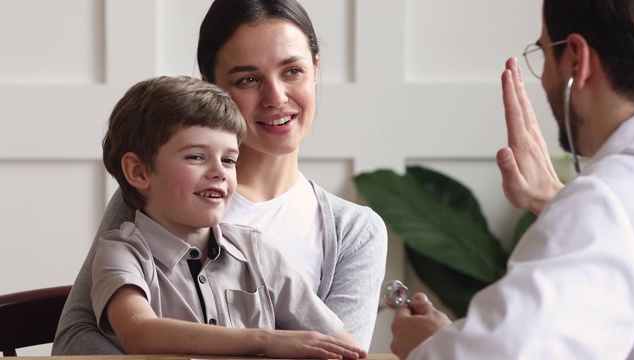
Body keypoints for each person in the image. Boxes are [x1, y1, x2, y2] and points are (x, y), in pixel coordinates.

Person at [52, 0, 387, 355]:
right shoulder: (157, 200)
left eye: (293, 71)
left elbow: (342, 352)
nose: (276, 97)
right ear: (212, 87)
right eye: (248, 79)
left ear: (316, 70)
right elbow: (76, 343)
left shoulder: (353, 232)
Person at [391, 0, 634, 358]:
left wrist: (427, 346)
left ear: (575, 60)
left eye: (542, 52)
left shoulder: (605, 201)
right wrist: (555, 202)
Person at [91, 75, 365, 359]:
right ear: (138, 171)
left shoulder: (256, 251)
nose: (219, 172)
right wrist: (265, 341)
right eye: (196, 157)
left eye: (229, 160)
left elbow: (343, 345)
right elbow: (141, 333)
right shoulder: (122, 253)